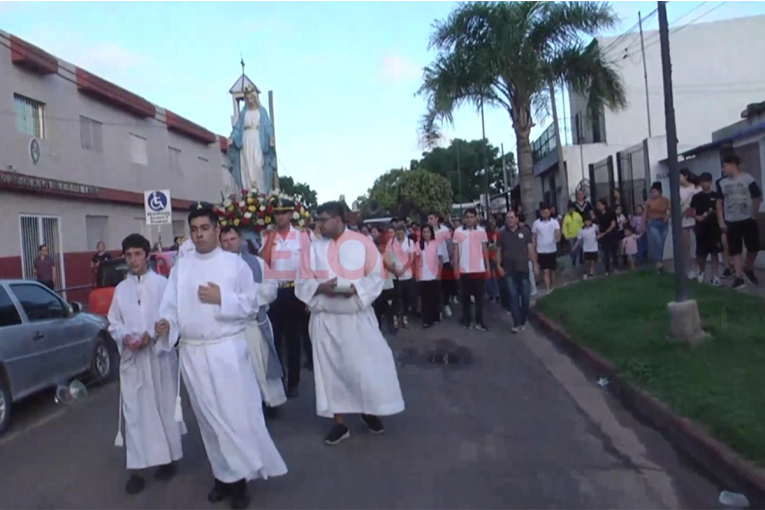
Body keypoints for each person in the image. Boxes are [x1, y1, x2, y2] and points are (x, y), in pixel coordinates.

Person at [155, 202, 287, 510]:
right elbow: (170, 306)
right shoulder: (181, 268)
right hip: (192, 353)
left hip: (226, 350)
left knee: (233, 416)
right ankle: (222, 476)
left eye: (205, 228)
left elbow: (251, 304)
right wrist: (166, 325)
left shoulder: (234, 265)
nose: (199, 235)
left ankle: (240, 482)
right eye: (194, 230)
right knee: (208, 420)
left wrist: (222, 298)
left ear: (217, 230)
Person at [295, 201, 405, 445]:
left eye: (324, 219)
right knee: (331, 373)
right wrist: (321, 287)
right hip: (325, 320)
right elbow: (302, 281)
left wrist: (356, 288)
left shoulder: (362, 243)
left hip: (356, 318)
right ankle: (340, 423)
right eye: (318, 220)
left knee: (364, 368)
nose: (319, 224)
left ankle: (368, 410)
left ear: (339, 219)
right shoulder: (312, 250)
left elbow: (376, 276)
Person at [107, 233, 184, 495]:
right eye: (128, 255)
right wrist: (125, 336)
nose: (133, 260)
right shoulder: (121, 290)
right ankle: (137, 469)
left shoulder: (162, 285)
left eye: (137, 254)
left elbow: (172, 316)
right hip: (133, 361)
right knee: (135, 414)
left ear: (147, 255)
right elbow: (113, 322)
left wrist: (157, 332)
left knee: (163, 409)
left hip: (158, 358)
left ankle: (169, 459)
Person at [220, 226, 286, 414]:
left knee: (261, 363)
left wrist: (245, 299)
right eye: (224, 241)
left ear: (240, 239)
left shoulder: (257, 263)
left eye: (232, 239)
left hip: (254, 323)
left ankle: (269, 401)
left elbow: (271, 288)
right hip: (231, 326)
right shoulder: (217, 267)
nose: (229, 244)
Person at [260, 197, 311, 398]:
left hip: (294, 291)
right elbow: (263, 262)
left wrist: (307, 296)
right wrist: (270, 240)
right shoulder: (268, 236)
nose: (280, 216)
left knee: (293, 340)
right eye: (277, 213)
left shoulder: (302, 236)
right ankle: (278, 379)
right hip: (273, 292)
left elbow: (307, 266)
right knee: (275, 340)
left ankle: (293, 382)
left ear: (291, 215)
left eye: (284, 212)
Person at [716, 154, 762, 290]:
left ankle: (748, 269)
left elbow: (757, 197)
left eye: (725, 166)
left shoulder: (748, 179)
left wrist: (754, 213)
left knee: (753, 246)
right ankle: (738, 277)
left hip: (748, 219)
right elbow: (719, 203)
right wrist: (721, 221)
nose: (723, 169)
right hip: (731, 220)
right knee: (735, 249)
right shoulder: (722, 183)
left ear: (733, 165)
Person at [227, 85, 277, 192]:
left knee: (258, 165)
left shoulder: (262, 111)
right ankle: (248, 192)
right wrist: (232, 138)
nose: (249, 101)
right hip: (246, 141)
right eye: (247, 98)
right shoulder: (243, 113)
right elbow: (237, 128)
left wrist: (270, 137)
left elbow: (267, 126)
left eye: (251, 98)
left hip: (258, 141)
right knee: (246, 166)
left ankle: (260, 192)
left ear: (255, 98)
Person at [496, 211, 538, 333]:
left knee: (525, 297)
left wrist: (535, 264)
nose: (509, 220)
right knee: (513, 297)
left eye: (511, 218)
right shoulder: (502, 234)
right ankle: (516, 323)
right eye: (507, 218)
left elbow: (530, 248)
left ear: (516, 219)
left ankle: (523, 319)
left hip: (523, 269)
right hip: (509, 271)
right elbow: (498, 251)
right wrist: (499, 265)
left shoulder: (525, 231)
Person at [453, 208, 490, 330]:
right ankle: (467, 320)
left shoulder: (481, 231)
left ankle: (479, 321)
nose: (469, 219)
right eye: (467, 217)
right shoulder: (458, 232)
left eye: (471, 217)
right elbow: (456, 251)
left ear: (476, 218)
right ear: (464, 218)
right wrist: (456, 268)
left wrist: (487, 266)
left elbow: (485, 249)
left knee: (480, 298)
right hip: (464, 269)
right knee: (465, 298)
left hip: (479, 269)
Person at [690, 172, 722, 285]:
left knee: (715, 252)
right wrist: (696, 216)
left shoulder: (716, 195)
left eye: (706, 182)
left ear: (710, 182)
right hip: (701, 228)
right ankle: (702, 272)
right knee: (701, 253)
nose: (704, 184)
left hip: (714, 227)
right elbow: (691, 210)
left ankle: (715, 275)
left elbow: (719, 210)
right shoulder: (697, 197)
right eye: (702, 182)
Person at [427, 212, 454, 318]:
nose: (429, 220)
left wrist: (452, 258)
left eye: (431, 218)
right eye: (428, 218)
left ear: (437, 219)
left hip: (445, 260)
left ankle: (446, 304)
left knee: (446, 285)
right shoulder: (427, 231)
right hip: (432, 262)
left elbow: (449, 244)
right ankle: (437, 309)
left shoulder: (444, 230)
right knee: (435, 287)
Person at [390, 225, 416, 329]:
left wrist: (403, 270)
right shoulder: (392, 243)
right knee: (397, 297)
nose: (399, 236)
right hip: (395, 274)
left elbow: (411, 259)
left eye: (401, 233)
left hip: (407, 274)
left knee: (406, 297)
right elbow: (389, 258)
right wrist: (395, 270)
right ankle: (396, 317)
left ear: (405, 233)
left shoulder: (410, 242)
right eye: (398, 234)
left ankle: (405, 317)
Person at [531, 203, 561, 293]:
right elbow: (534, 237)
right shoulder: (536, 223)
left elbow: (557, 232)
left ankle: (552, 286)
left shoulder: (554, 222)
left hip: (552, 249)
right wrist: (534, 248)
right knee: (545, 271)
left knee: (552, 270)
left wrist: (558, 235)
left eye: (546, 212)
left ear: (549, 212)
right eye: (543, 213)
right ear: (540, 212)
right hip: (541, 250)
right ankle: (548, 289)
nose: (545, 214)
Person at [417, 224, 442, 328]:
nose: (426, 234)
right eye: (424, 232)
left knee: (434, 298)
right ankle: (426, 320)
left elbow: (440, 260)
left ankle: (435, 317)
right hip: (423, 275)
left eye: (427, 232)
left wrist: (439, 274)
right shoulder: (418, 244)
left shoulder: (436, 243)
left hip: (434, 274)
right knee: (425, 299)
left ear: (431, 232)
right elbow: (417, 260)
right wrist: (417, 274)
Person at [643, 182, 671, 273]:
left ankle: (659, 262)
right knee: (657, 241)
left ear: (659, 192)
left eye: (655, 191)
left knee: (661, 243)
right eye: (652, 192)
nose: (653, 194)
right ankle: (658, 262)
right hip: (653, 223)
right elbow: (645, 213)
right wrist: (643, 223)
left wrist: (667, 217)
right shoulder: (649, 201)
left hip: (663, 222)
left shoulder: (665, 200)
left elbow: (671, 209)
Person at [679, 168, 701, 279]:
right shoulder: (678, 190)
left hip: (696, 220)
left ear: (685, 176)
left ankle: (700, 268)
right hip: (684, 222)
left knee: (698, 245)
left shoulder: (696, 188)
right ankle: (690, 269)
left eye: (679, 176)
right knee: (686, 247)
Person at [595, 198, 619, 275]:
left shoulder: (611, 212)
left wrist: (605, 233)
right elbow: (598, 224)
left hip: (611, 233)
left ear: (604, 205)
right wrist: (599, 233)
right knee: (605, 252)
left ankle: (616, 266)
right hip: (603, 235)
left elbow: (613, 224)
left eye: (599, 205)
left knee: (613, 251)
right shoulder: (598, 214)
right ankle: (607, 269)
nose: (598, 206)